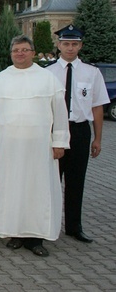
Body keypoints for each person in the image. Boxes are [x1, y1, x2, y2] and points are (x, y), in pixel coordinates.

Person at [0, 35, 70, 257]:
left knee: (37, 190)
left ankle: (35, 238)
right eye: (16, 50)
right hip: (7, 147)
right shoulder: (0, 79)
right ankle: (14, 233)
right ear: (11, 54)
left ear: (32, 52)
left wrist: (60, 142)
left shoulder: (47, 78)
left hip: (39, 148)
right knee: (11, 188)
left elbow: (60, 113)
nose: (20, 53)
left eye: (24, 49)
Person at [46, 25, 109, 243]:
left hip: (80, 130)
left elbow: (98, 107)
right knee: (52, 180)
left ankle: (74, 226)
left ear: (80, 45)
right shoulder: (48, 72)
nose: (70, 48)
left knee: (76, 181)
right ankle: (47, 226)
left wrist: (97, 138)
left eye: (74, 44)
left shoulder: (92, 73)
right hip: (54, 131)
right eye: (66, 44)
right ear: (59, 45)